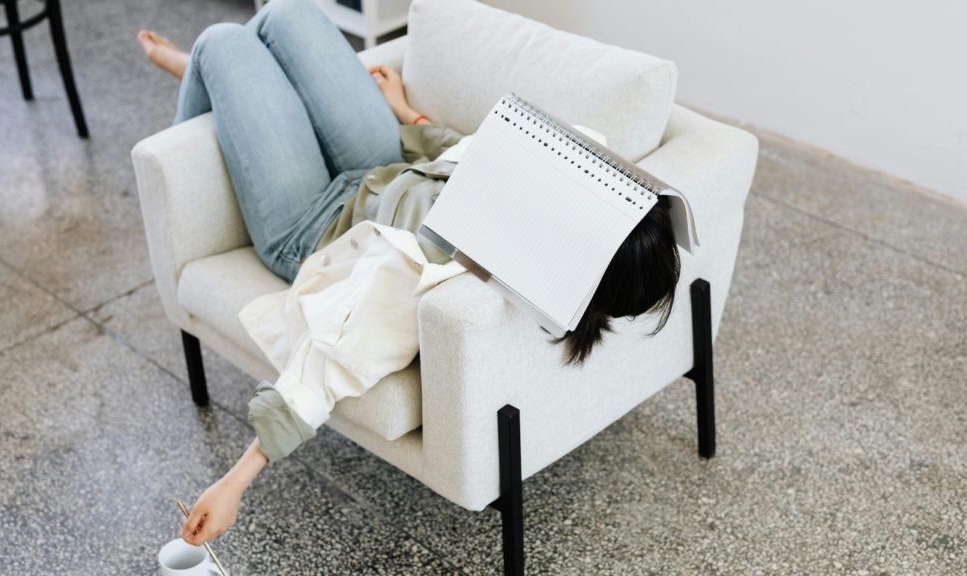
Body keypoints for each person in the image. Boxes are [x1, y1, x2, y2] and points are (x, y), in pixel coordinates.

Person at [138, 0, 680, 548]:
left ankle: (212, 89)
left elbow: (325, 371)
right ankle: (230, 97)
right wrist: (408, 113)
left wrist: (233, 484)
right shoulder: (553, 189)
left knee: (220, 42)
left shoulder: (436, 277)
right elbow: (467, 158)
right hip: (385, 162)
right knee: (285, 12)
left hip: (313, 222)